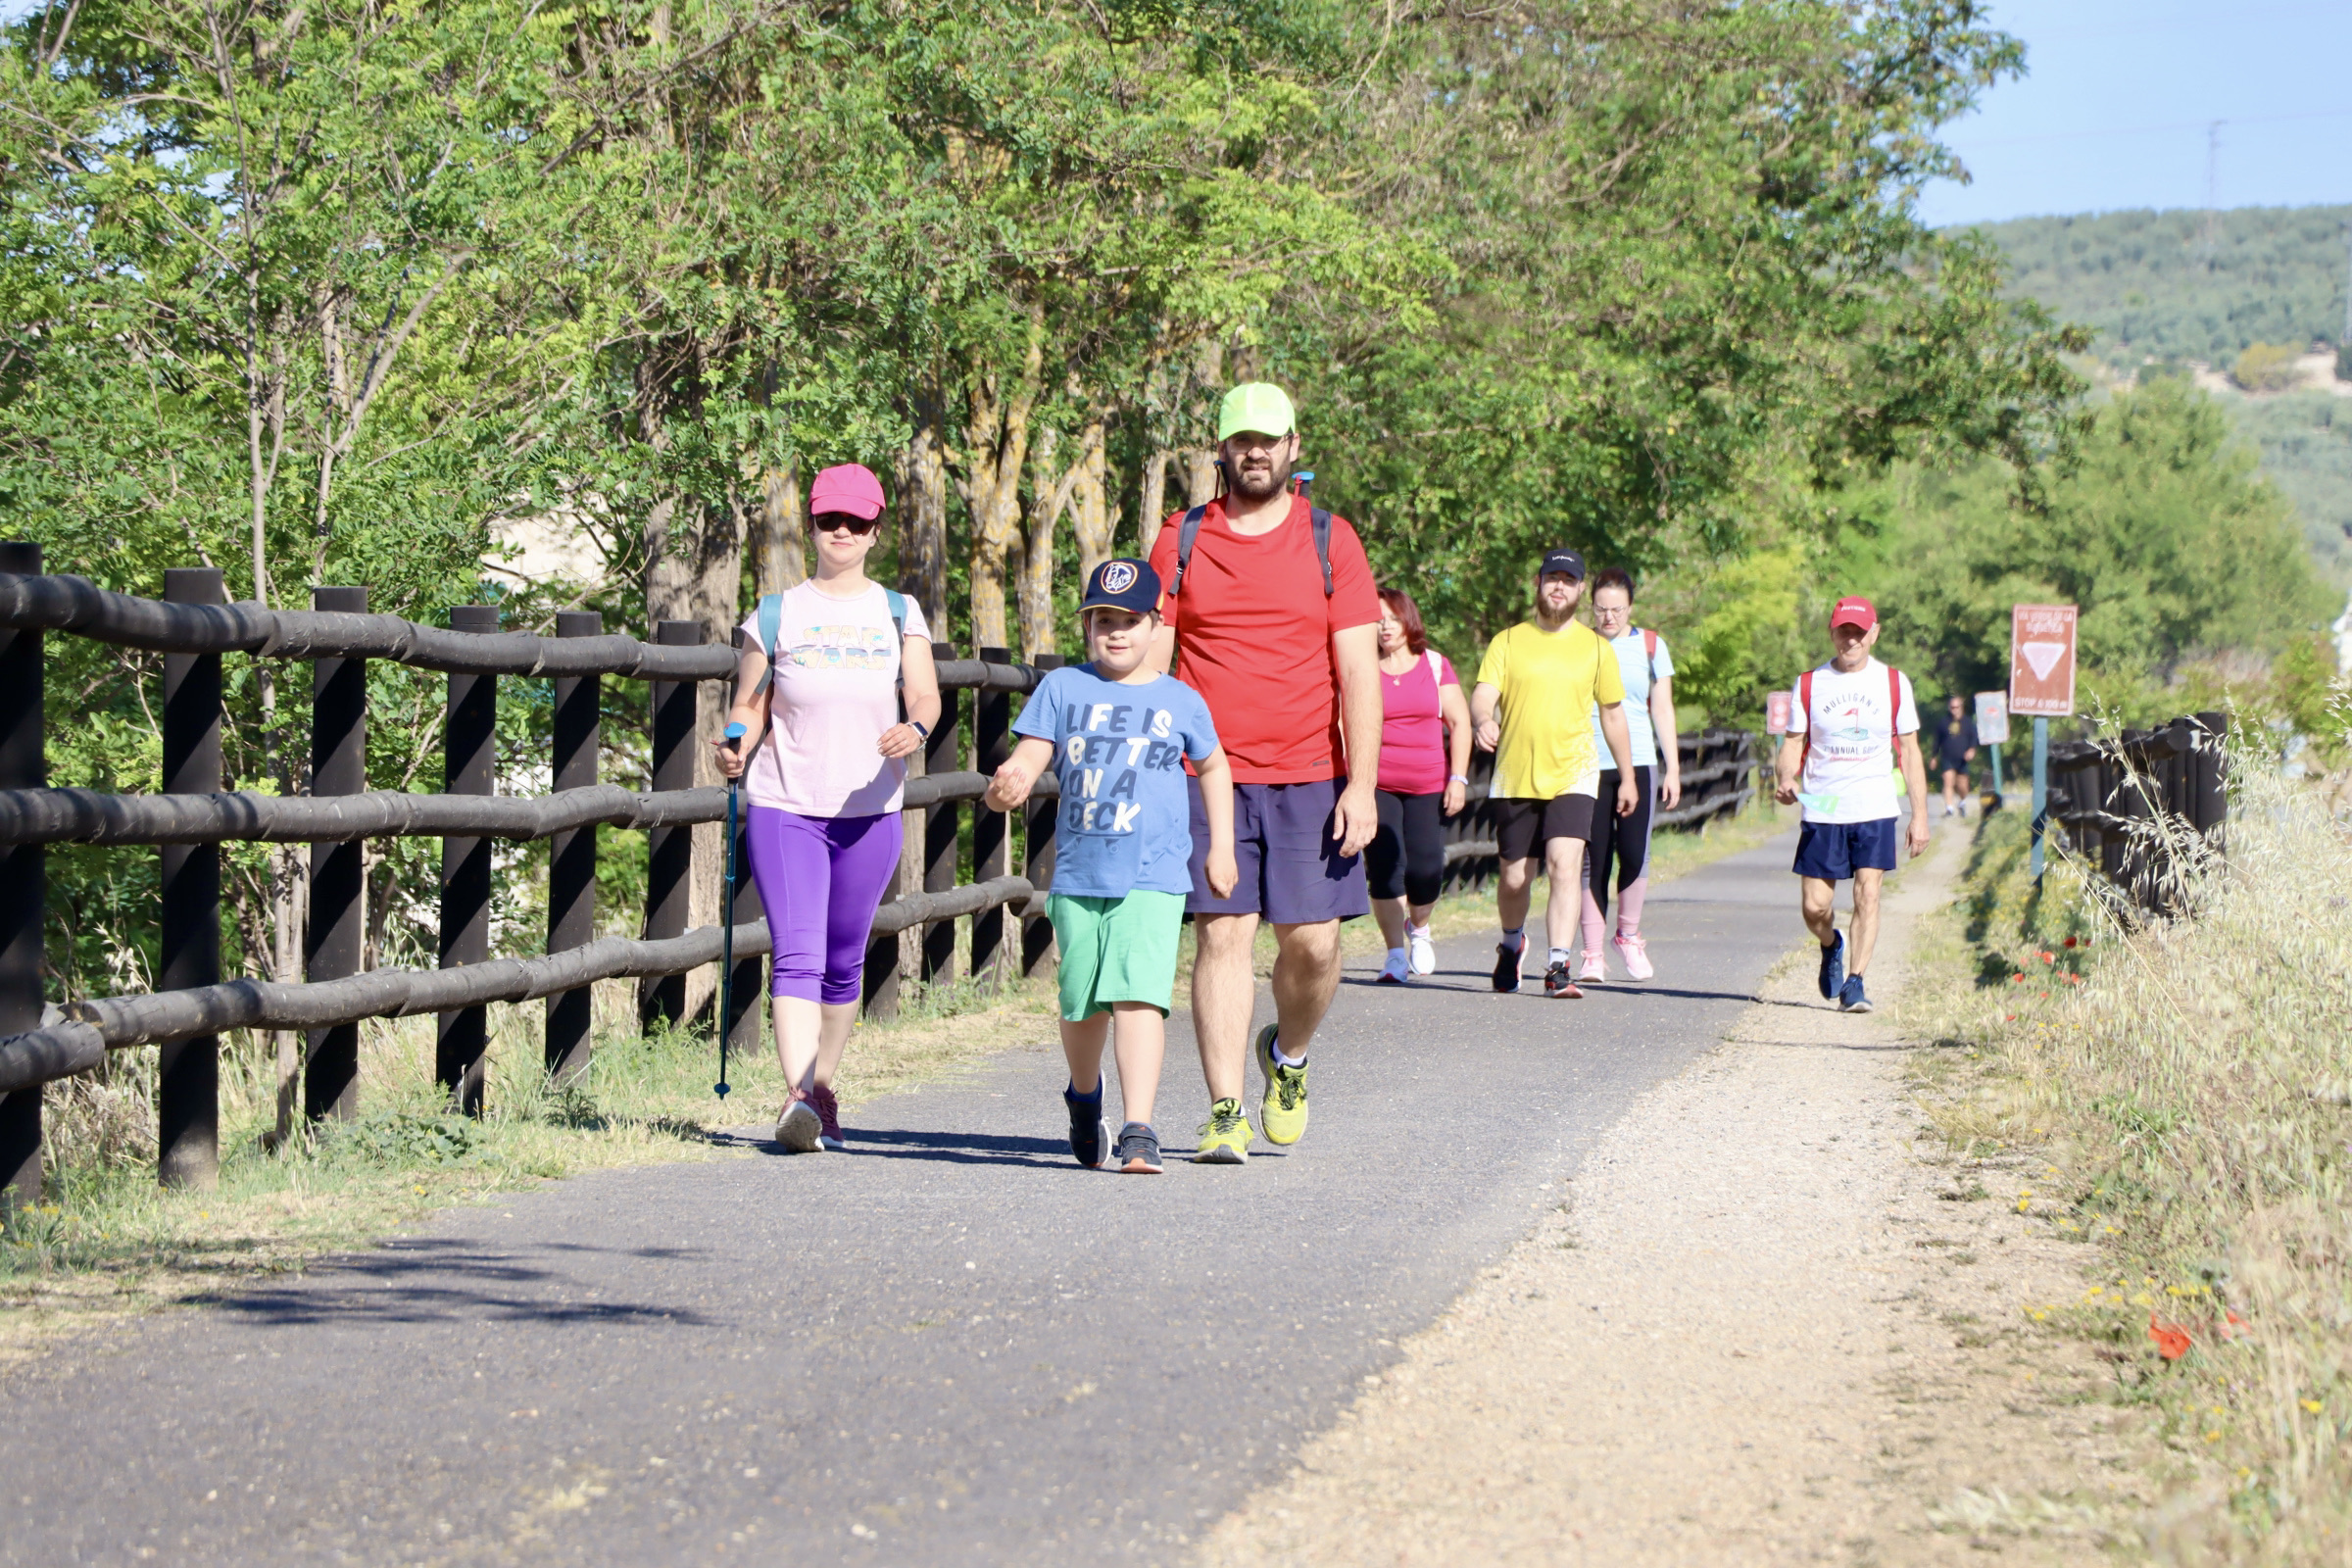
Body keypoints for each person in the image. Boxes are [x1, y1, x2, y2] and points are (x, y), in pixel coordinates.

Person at [1147, 381, 1383, 1164]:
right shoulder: (1181, 538)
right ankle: (1224, 1111)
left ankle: (1288, 1054)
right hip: (1204, 773)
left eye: (1268, 439)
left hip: (1313, 775)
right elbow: (1151, 657)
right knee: (1223, 937)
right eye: (1240, 439)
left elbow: (1358, 674)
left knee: (1313, 946)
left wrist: (1361, 784)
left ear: (1293, 448)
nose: (1254, 451)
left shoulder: (1331, 540)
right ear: (1221, 448)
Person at [716, 462, 942, 1152]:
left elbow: (926, 696)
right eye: (828, 521)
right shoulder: (778, 613)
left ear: (875, 531)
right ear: (811, 526)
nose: (841, 532)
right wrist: (732, 745)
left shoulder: (900, 612)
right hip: (787, 805)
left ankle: (820, 1091)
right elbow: (749, 707)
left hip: (871, 811)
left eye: (856, 522)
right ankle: (794, 1099)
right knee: (798, 955)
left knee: (845, 961)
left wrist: (917, 729)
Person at [987, 560, 1237, 1175]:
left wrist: (1221, 847)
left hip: (1153, 874)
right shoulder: (1063, 688)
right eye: (1103, 619)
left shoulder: (1181, 700)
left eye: (1129, 620)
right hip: (1079, 874)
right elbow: (1029, 755)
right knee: (1081, 1004)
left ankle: (1139, 1128)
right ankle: (1084, 1094)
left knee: (1138, 997)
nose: (1115, 631)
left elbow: (1213, 768)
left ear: (1155, 624)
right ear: (1089, 627)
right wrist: (1008, 785)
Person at [1471, 549, 1639, 1000]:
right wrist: (1483, 719)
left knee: (1565, 866)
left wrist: (1627, 776)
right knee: (1513, 878)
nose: (1559, 586)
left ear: (1581, 589)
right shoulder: (1508, 641)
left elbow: (1613, 715)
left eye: (1568, 579)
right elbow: (1483, 693)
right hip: (1515, 775)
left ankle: (1559, 966)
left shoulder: (1596, 648)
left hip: (1575, 773)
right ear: (1539, 584)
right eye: (1552, 578)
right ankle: (1511, 944)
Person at [1772, 596, 1931, 1015]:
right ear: (1832, 631)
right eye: (1845, 630)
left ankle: (1856, 982)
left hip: (1875, 806)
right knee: (1815, 907)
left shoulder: (1894, 683)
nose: (1852, 639)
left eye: (1860, 632)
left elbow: (1910, 753)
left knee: (1869, 894)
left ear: (1874, 633)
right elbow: (1792, 743)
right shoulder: (1810, 683)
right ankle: (1832, 944)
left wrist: (1920, 816)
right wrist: (1786, 778)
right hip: (1823, 808)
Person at [1578, 568, 1682, 984]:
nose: (1608, 618)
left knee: (1635, 853)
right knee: (1593, 858)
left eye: (1617, 610)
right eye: (1601, 610)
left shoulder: (1651, 646)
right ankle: (1590, 953)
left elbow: (1663, 708)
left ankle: (1629, 935)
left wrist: (1672, 767)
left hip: (1637, 760)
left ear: (1630, 608)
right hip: (1587, 762)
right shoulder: (1579, 645)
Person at [1369, 585, 1471, 984]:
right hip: (1378, 783)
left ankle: (1421, 929)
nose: (1385, 627)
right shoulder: (1363, 666)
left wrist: (1458, 778)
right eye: (1378, 619)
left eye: (1392, 618)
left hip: (1427, 782)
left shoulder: (1433, 664)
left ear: (1407, 620)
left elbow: (1460, 723)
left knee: (1426, 866)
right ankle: (1395, 953)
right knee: (1384, 867)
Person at [1934, 694, 1978, 818]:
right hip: (1947, 757)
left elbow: (1974, 738)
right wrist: (1933, 756)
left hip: (1962, 759)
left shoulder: (1968, 722)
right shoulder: (1943, 722)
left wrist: (1972, 750)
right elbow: (1937, 740)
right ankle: (1949, 808)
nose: (1955, 709)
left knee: (1962, 786)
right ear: (1949, 707)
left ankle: (1962, 802)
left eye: (1957, 707)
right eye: (1952, 707)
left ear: (1961, 707)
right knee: (1948, 782)